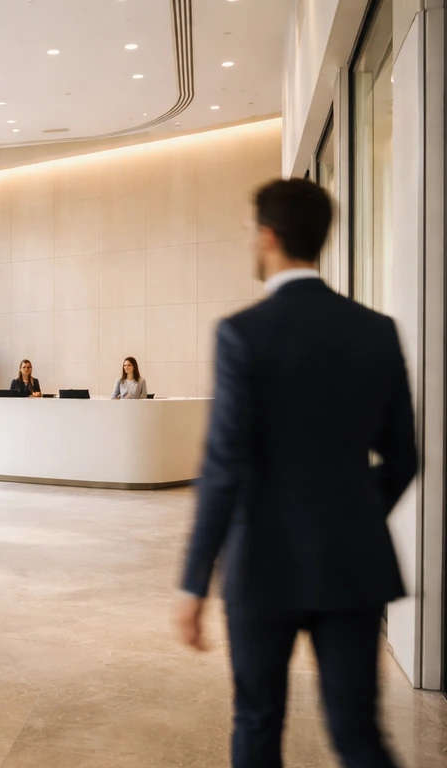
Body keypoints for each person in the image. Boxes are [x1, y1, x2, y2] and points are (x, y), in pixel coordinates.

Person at [175, 179, 417, 768]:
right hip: (353, 561)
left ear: (268, 235)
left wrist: (194, 581)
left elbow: (224, 467)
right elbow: (405, 457)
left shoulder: (242, 334)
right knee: (360, 735)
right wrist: (353, 509)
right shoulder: (376, 331)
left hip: (261, 563)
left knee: (257, 724)